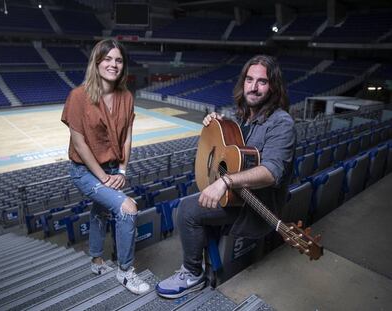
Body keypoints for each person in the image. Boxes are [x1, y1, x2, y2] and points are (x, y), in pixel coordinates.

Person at [156, 55, 296, 299]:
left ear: (273, 86)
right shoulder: (242, 117)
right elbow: (232, 152)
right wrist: (216, 127)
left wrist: (225, 181)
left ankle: (192, 273)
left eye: (262, 81)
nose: (253, 86)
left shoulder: (282, 123)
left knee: (186, 209)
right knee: (200, 191)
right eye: (249, 79)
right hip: (238, 196)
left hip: (256, 206)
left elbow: (272, 172)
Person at [61, 39, 150, 295]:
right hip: (85, 172)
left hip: (113, 168)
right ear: (97, 62)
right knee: (127, 209)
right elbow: (78, 142)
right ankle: (125, 271)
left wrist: (122, 170)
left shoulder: (127, 96)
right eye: (108, 59)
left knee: (100, 211)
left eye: (119, 60)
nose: (113, 64)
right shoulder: (78, 96)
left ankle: (97, 261)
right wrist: (104, 178)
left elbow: (128, 137)